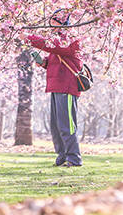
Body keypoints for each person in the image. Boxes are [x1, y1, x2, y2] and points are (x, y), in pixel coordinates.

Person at [26, 14, 83, 167]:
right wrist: (43, 63)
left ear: (63, 23)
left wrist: (29, 37)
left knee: (67, 125)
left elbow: (57, 48)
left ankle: (74, 158)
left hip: (67, 87)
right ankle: (62, 155)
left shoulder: (71, 40)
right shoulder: (57, 41)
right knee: (56, 126)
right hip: (56, 86)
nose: (52, 28)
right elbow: (56, 59)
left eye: (54, 24)